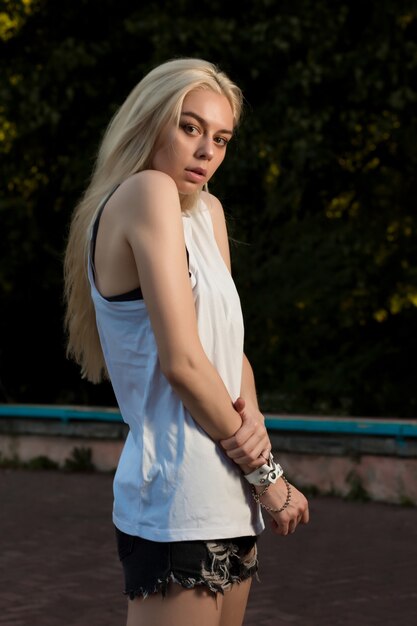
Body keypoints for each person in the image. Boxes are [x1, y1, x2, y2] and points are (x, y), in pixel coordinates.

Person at [63, 57, 309, 626]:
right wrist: (267, 475)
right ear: (150, 121)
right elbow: (183, 362)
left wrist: (256, 433)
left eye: (222, 139)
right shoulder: (144, 192)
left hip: (230, 499)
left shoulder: (207, 212)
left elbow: (229, 348)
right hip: (177, 499)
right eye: (190, 127)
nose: (207, 152)